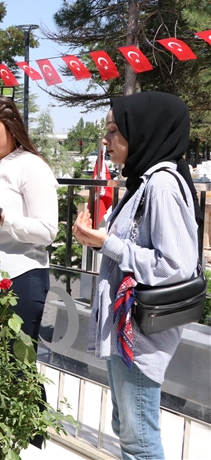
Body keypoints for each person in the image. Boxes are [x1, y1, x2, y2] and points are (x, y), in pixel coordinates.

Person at [73, 92, 199, 460]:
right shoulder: (145, 181)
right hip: (130, 330)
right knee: (129, 430)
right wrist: (98, 241)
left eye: (114, 131)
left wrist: (107, 243)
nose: (105, 139)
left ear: (143, 132)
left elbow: (174, 265)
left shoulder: (162, 184)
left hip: (141, 337)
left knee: (139, 441)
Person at [0, 94, 59, 448]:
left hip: (20, 277)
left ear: (11, 127)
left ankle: (27, 443)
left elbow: (48, 231)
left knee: (18, 367)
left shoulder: (30, 166)